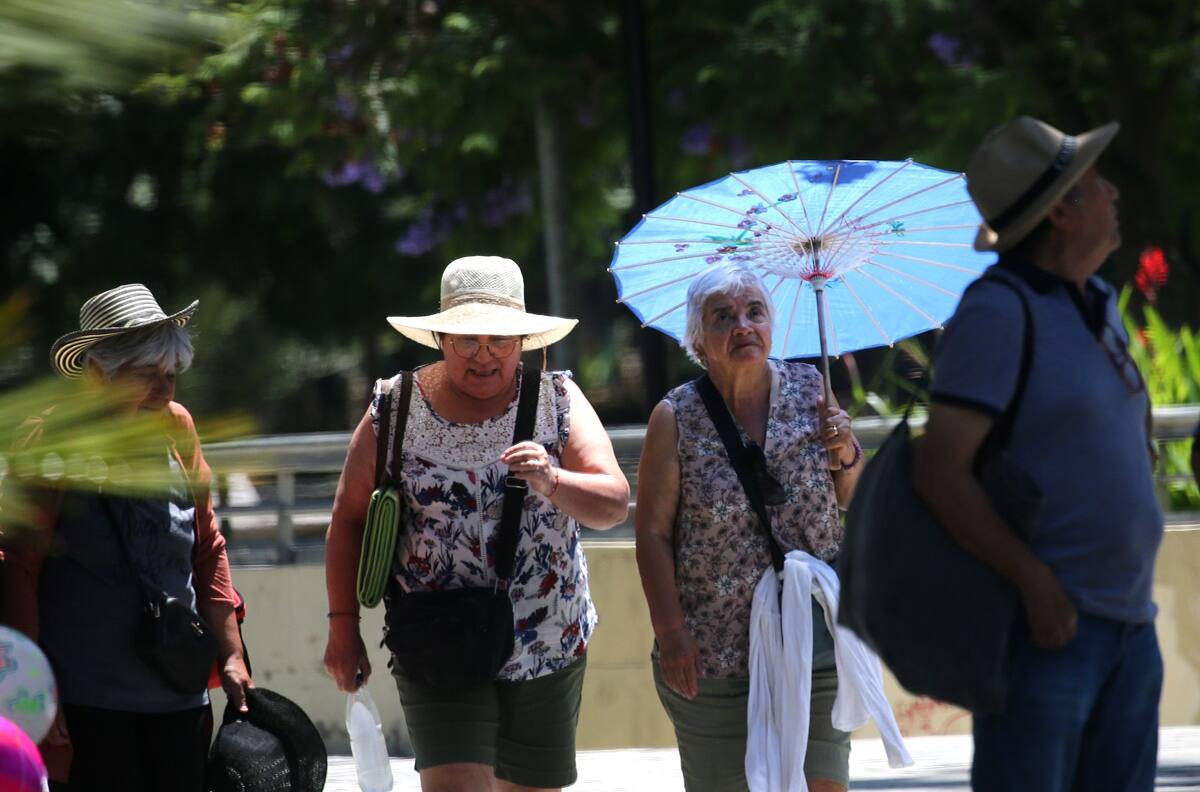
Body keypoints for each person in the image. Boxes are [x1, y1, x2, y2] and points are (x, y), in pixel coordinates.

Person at [913, 117, 1164, 791]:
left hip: (1130, 629)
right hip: (1048, 633)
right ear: (1061, 210)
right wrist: (1035, 582)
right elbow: (940, 472)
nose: (1112, 192)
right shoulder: (997, 312)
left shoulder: (1099, 301)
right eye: (1096, 182)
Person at [323, 256, 629, 792]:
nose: (484, 356)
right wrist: (342, 628)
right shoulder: (393, 408)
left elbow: (613, 502)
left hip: (545, 637)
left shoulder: (556, 399)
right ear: (441, 339)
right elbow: (348, 520)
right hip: (434, 640)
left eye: (500, 341)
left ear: (523, 342)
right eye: (468, 340)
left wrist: (553, 479)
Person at [0, 284, 251, 791]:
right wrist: (31, 693)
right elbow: (15, 567)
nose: (164, 391)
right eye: (147, 376)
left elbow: (208, 547)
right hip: (84, 700)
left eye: (171, 376)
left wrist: (231, 655)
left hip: (179, 692)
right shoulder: (50, 441)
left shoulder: (177, 428)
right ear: (98, 374)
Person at [634, 263, 864, 792]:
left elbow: (850, 495)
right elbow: (651, 534)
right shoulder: (676, 417)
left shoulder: (812, 387)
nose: (742, 325)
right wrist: (671, 633)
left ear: (771, 325)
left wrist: (845, 450)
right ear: (698, 339)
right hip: (714, 653)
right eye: (723, 317)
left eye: (754, 312)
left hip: (814, 639)